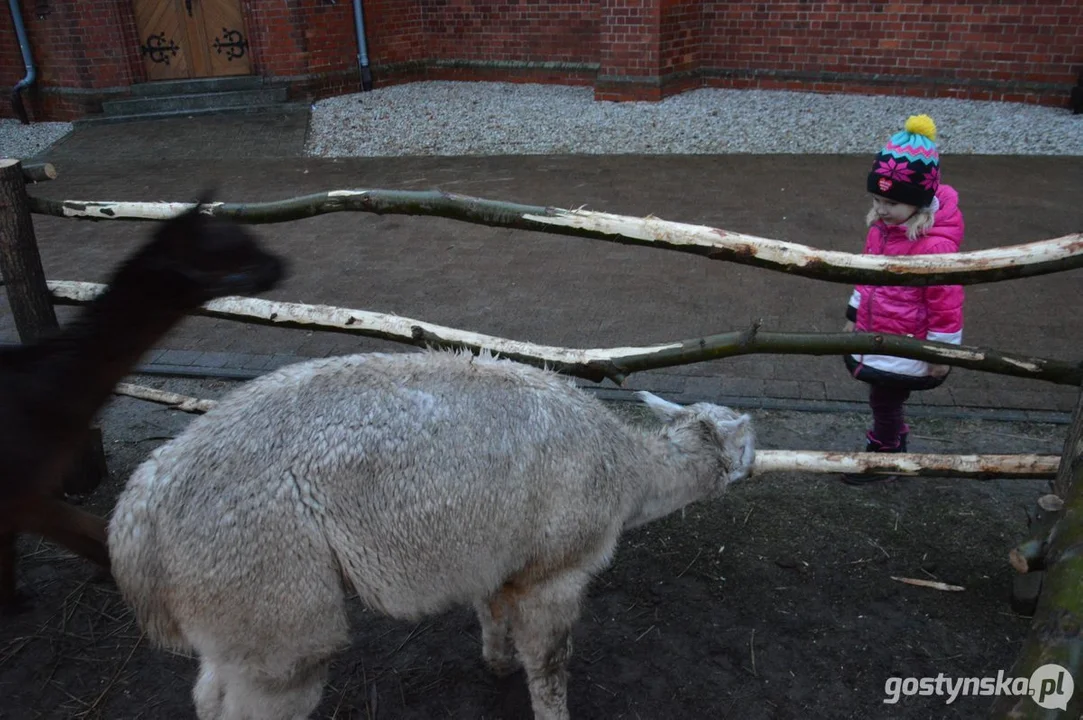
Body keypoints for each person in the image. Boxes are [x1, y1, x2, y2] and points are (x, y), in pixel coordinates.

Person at [840, 114, 965, 485]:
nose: (880, 209)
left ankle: (886, 454)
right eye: (876, 199)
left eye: (890, 202)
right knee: (884, 399)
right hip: (879, 330)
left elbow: (946, 304)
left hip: (906, 342)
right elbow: (866, 276)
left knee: (884, 399)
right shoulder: (884, 229)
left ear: (919, 202)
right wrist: (854, 311)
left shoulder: (935, 246)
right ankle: (893, 439)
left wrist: (941, 354)